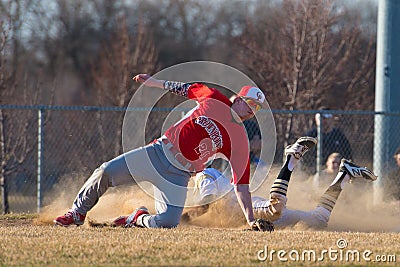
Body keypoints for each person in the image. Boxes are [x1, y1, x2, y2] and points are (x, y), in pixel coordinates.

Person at [54, 73, 269, 230]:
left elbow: (241, 184)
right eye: (250, 103)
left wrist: (250, 220)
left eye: (257, 109)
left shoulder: (240, 138)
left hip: (179, 175)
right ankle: (77, 212)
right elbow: (185, 88)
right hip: (157, 153)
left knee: (168, 222)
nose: (252, 111)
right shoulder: (212, 97)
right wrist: (154, 83)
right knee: (105, 171)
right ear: (238, 99)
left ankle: (137, 218)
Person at [180, 137, 377, 229]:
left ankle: (291, 159)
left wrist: (181, 220)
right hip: (251, 216)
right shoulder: (206, 174)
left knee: (274, 209)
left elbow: (205, 206)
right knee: (318, 221)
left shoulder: (204, 175)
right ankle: (344, 175)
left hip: (247, 210)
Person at [302, 107, 352, 175]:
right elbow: (303, 155)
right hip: (314, 171)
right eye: (320, 119)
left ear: (331, 119)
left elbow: (348, 155)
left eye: (325, 118)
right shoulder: (311, 136)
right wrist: (309, 168)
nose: (323, 121)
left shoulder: (339, 135)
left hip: (335, 170)